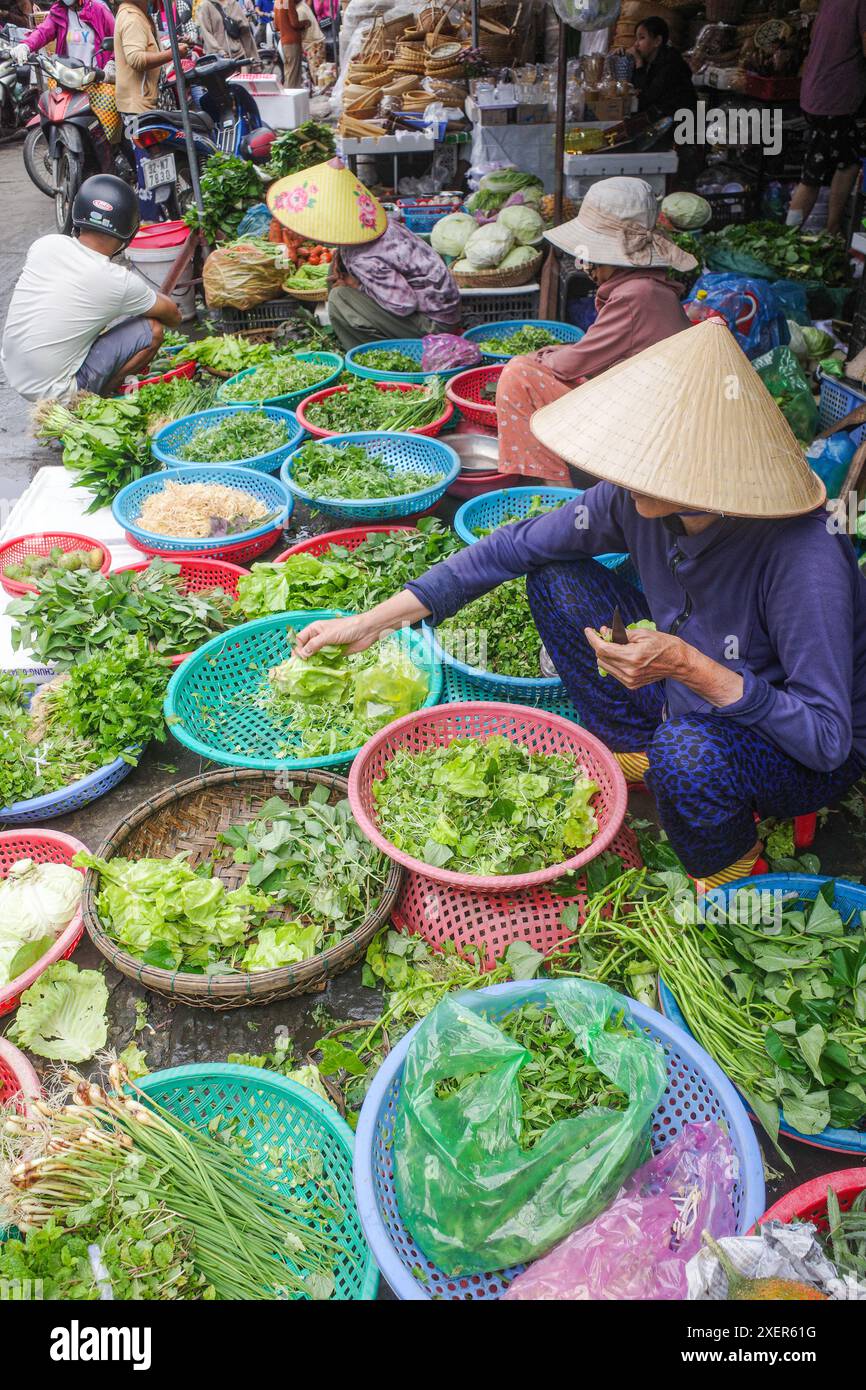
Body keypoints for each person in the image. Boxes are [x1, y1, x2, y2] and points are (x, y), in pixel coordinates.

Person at [289, 318, 866, 888]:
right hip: (682, 697)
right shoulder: (636, 500)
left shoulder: (805, 556)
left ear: (704, 473)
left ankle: (732, 869)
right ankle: (639, 753)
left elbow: (825, 740)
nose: (621, 474)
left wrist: (691, 668)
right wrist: (371, 623)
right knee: (556, 576)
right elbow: (515, 546)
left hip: (794, 747)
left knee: (689, 753)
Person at [495, 177, 695, 485]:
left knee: (519, 375)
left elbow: (572, 365)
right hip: (650, 406)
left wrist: (541, 357)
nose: (586, 266)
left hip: (649, 425)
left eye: (590, 260)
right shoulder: (646, 287)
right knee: (532, 367)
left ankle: (558, 496)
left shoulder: (637, 295)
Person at [2, 174, 182, 403]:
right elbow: (173, 316)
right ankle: (92, 400)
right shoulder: (117, 281)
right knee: (152, 329)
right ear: (129, 231)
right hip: (56, 393)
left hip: (16, 374)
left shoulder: (45, 245)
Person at [267, 157, 461, 351]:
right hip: (441, 305)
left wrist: (357, 285)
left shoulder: (363, 258)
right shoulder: (372, 223)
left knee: (339, 298)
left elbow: (404, 304)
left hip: (435, 325)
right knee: (334, 273)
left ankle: (373, 357)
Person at [787, 0, 866, 236]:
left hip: (815, 96)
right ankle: (833, 231)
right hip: (837, 98)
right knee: (849, 162)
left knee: (813, 169)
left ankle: (787, 234)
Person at [114, 0, 188, 117]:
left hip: (148, 103)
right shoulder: (132, 18)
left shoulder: (142, 16)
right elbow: (136, 59)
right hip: (138, 108)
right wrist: (173, 53)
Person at [15, 0, 115, 71]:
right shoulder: (59, 11)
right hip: (68, 77)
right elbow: (43, 32)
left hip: (95, 78)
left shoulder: (98, 10)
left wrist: (112, 62)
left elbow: (117, 38)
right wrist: (26, 45)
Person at [631, 17, 697, 122]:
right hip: (662, 117)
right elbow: (635, 90)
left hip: (681, 124)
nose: (636, 44)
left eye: (642, 38)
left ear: (657, 41)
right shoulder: (649, 61)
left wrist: (639, 64)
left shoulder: (671, 64)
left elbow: (646, 98)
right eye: (636, 38)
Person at [273, 0, 324, 88]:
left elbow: (276, 26)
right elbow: (294, 23)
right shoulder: (288, 1)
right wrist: (306, 22)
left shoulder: (278, 2)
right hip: (293, 41)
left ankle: (288, 96)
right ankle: (292, 98)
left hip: (284, 41)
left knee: (288, 72)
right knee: (294, 74)